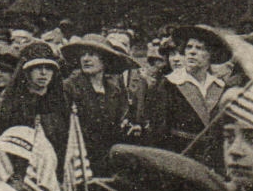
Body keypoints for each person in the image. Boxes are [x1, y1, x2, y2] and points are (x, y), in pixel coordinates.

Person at [143, 25, 229, 169]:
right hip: (179, 160)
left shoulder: (220, 87)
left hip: (213, 165)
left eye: (199, 48)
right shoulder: (168, 84)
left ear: (211, 55)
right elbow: (158, 133)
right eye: (189, 47)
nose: (192, 52)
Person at [61, 34, 133, 177]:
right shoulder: (69, 87)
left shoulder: (114, 91)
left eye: (92, 55)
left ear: (105, 60)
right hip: (78, 160)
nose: (86, 59)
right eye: (83, 55)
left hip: (107, 162)